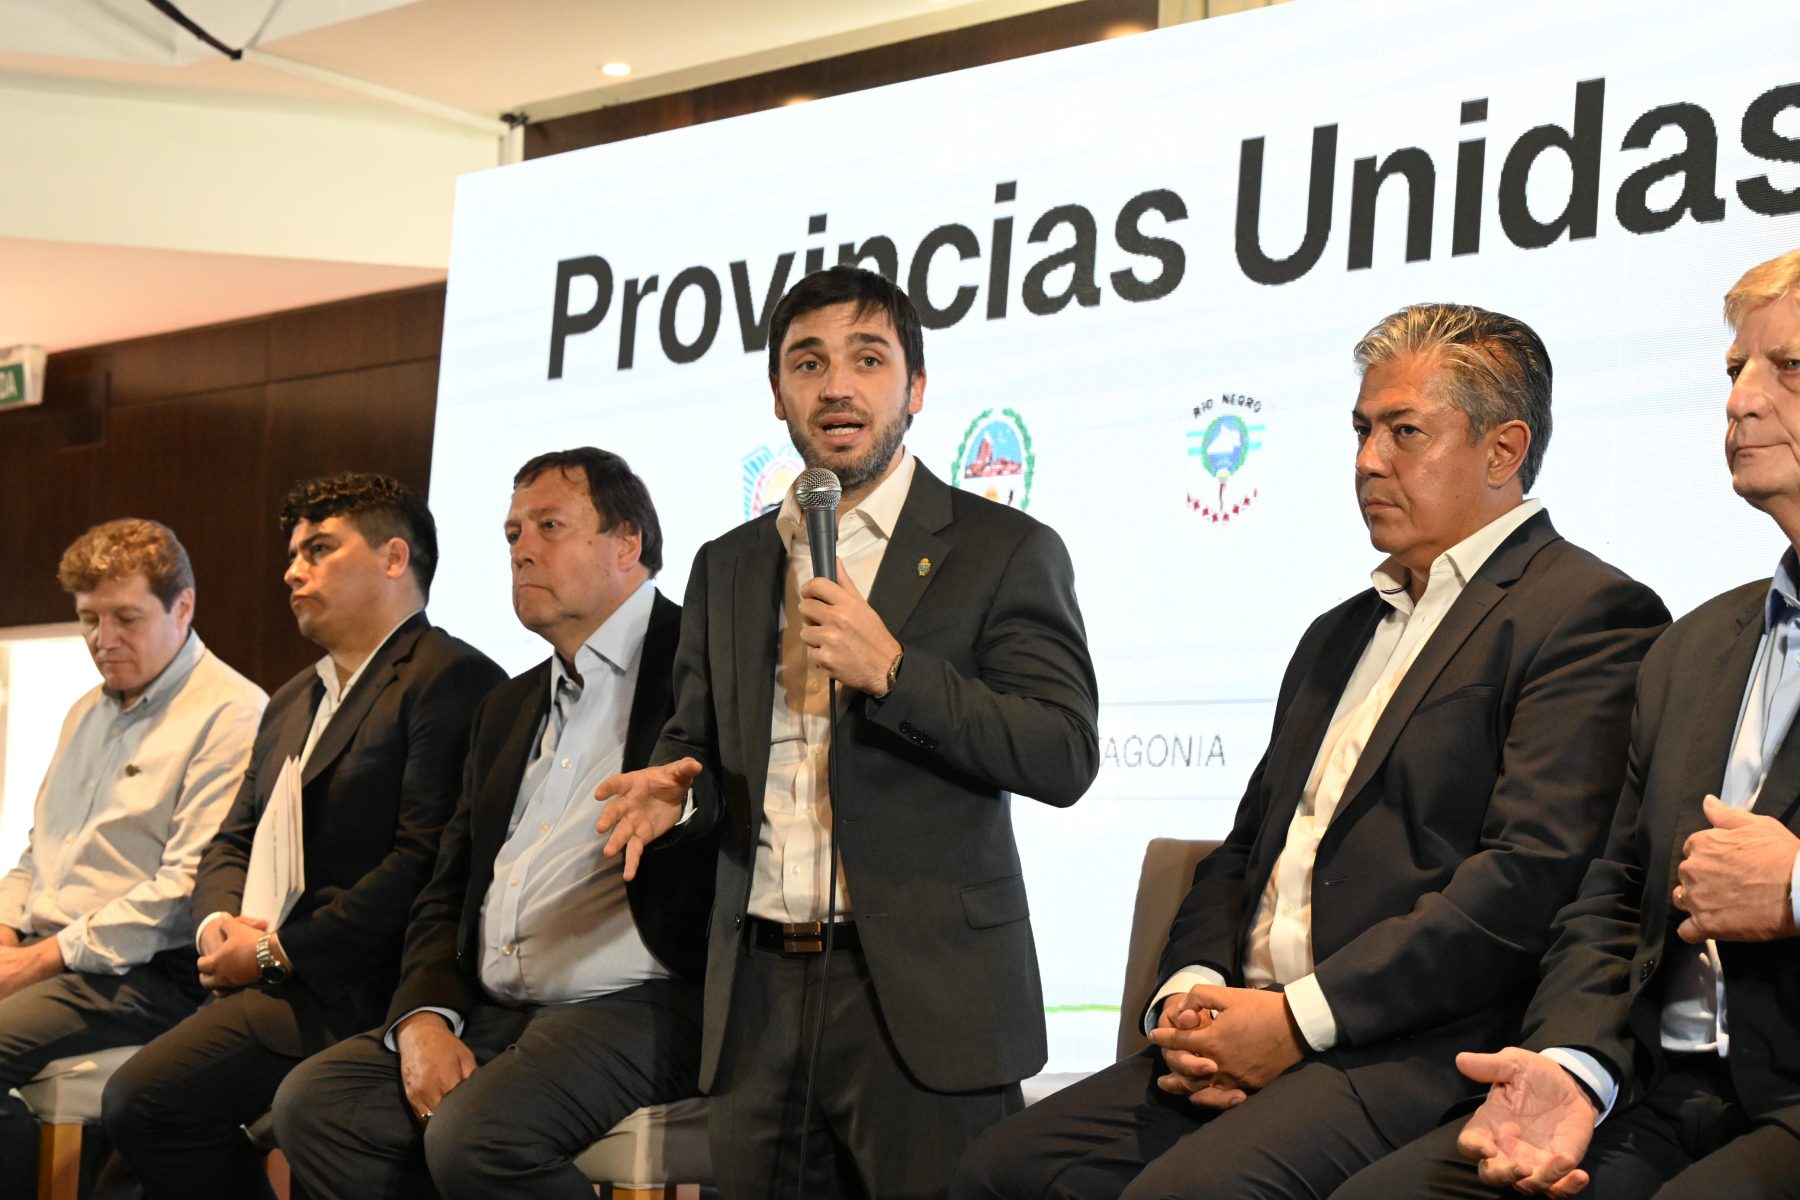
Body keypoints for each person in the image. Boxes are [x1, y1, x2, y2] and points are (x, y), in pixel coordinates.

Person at [950, 303, 1671, 1200]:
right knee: (997, 1173)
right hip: (1253, 1021)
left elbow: (1527, 880)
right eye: (1362, 430)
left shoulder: (1587, 613)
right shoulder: (1337, 633)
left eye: (1405, 432)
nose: (1368, 460)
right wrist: (1192, 995)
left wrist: (1297, 1022)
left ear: (1503, 451)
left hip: (1410, 1046)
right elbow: (1246, 851)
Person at [595, 265, 1100, 1199]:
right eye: (808, 363)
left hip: (922, 999)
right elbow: (696, 740)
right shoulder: (728, 565)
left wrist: (897, 674)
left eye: (868, 360)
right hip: (757, 998)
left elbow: (1062, 752)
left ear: (915, 388)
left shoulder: (1003, 550)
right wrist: (678, 791)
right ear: (777, 393)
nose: (836, 386)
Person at [1334, 251, 1800, 1200]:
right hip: (1657, 1093)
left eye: (1788, 368)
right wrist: (1574, 1066)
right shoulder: (1697, 645)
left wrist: (1796, 888)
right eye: (1734, 369)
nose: (1740, 401)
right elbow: (1616, 893)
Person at [271, 448, 715, 1200]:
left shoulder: (703, 662)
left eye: (549, 526)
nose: (521, 551)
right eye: (512, 534)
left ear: (627, 543)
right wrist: (424, 1017)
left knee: (477, 1135)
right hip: (499, 1005)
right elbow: (446, 889)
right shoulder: (506, 706)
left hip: (646, 998)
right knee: (318, 1107)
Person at [102, 472, 505, 1200]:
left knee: (143, 1101)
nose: (292, 571)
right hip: (269, 977)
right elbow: (231, 841)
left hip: (360, 986)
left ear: (394, 558)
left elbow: (425, 863)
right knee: (128, 1160)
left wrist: (275, 952)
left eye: (319, 549)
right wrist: (219, 927)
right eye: (292, 554)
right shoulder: (292, 698)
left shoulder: (451, 677)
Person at [0, 519, 264, 1196]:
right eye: (89, 619)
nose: (102, 639)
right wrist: (5, 931)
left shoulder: (231, 714)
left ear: (183, 607)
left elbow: (184, 890)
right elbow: (37, 850)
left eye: (125, 618)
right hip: (51, 951)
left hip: (145, 974)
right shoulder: (84, 711)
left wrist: (35, 960)